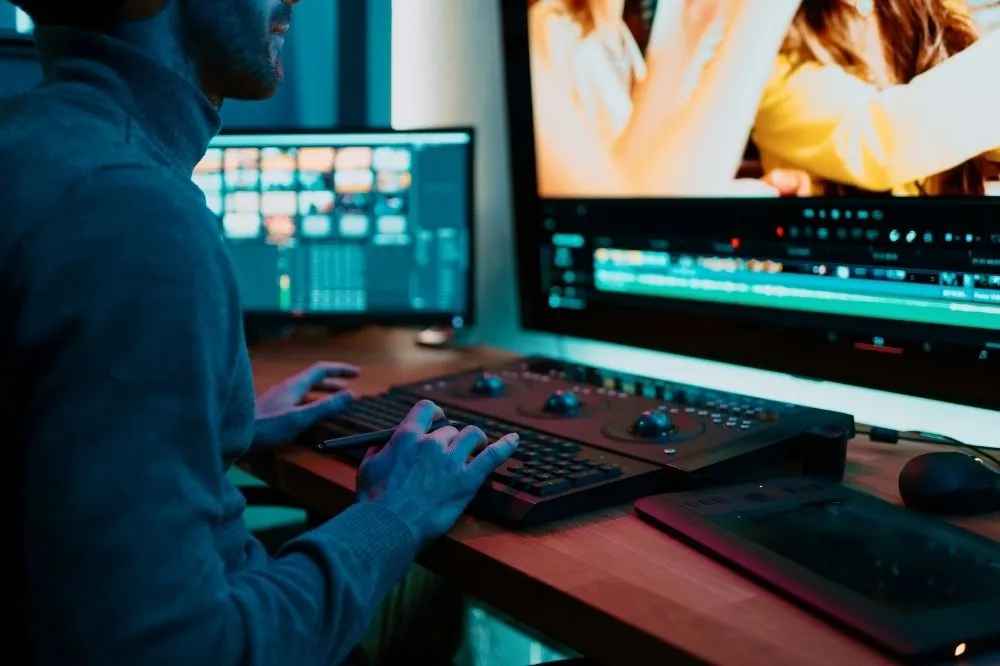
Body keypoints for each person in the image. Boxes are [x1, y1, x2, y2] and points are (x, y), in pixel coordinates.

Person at [0, 1, 518, 665]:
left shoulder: (29, 143)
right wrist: (395, 515)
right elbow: (175, 652)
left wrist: (214, 430)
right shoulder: (132, 214)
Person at [527, 0, 806, 196]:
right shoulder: (549, 27)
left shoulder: (620, 40)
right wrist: (758, 20)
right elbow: (614, 227)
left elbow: (629, 184)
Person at [751, 0, 1000, 196]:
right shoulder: (760, 44)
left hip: (949, 254)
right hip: (844, 256)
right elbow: (875, 142)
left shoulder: (937, 8)